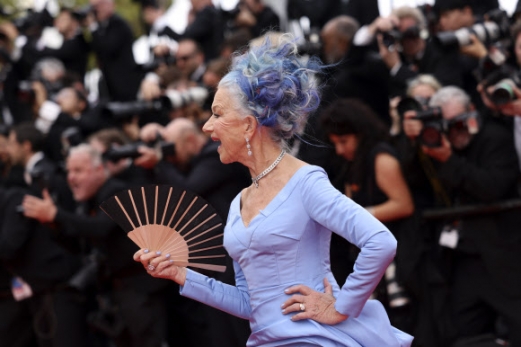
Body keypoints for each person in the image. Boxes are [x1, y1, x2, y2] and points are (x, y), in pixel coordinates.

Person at [134, 34, 413, 347]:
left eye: (218, 113)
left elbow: (380, 241)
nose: (207, 127)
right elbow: (252, 303)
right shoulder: (239, 202)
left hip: (312, 339)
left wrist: (341, 308)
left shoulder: (306, 182)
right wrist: (181, 274)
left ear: (249, 125)